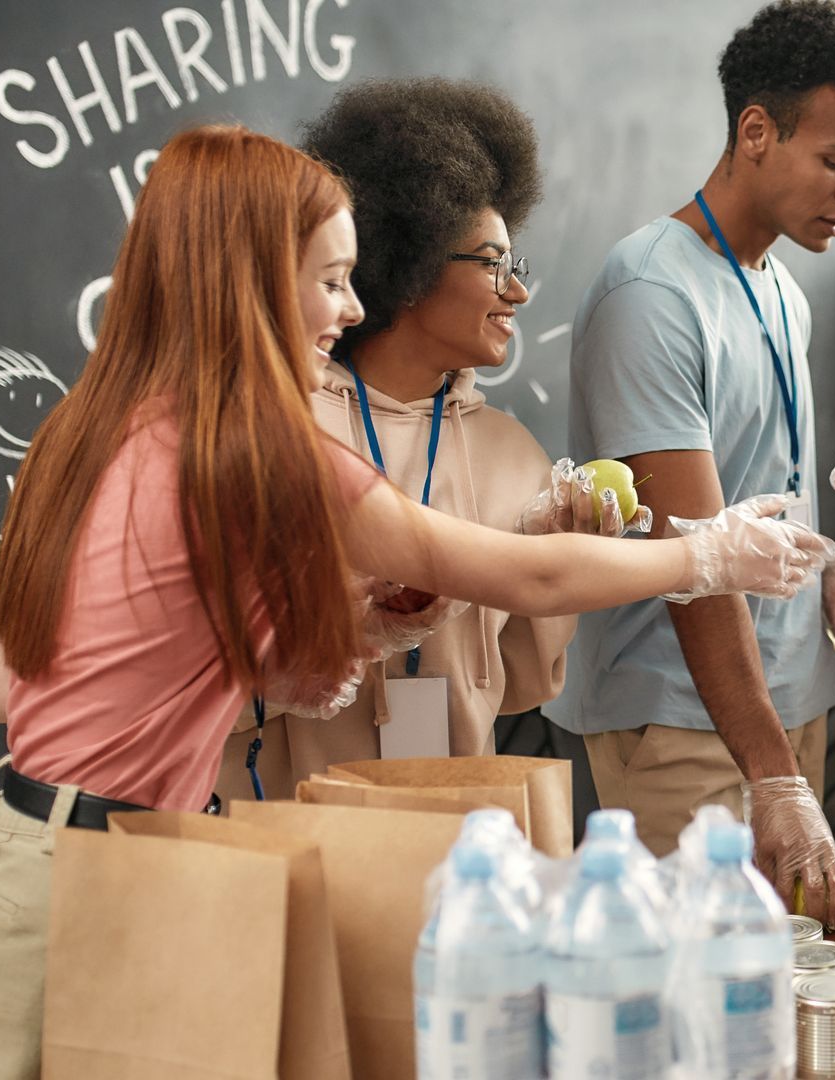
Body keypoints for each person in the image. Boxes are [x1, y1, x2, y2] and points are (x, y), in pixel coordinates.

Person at [0, 124, 831, 1079]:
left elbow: (0, 687)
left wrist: (335, 634)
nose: (351, 307)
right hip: (99, 875)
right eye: (330, 280)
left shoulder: (79, 432)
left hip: (27, 857)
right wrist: (706, 553)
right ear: (247, 278)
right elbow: (525, 577)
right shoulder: (265, 452)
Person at [566, 0, 835, 925]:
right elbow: (701, 564)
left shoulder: (781, 290)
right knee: (702, 1021)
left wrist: (833, 575)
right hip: (687, 721)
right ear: (755, 132)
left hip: (788, 706)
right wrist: (772, 774)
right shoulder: (652, 293)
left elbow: (762, 517)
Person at [213, 79, 627, 810]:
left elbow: (518, 688)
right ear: (409, 265)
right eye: (493, 263)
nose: (518, 292)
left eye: (516, 265)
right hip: (282, 834)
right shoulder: (275, 427)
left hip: (457, 837)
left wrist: (555, 562)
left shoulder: (514, 451)